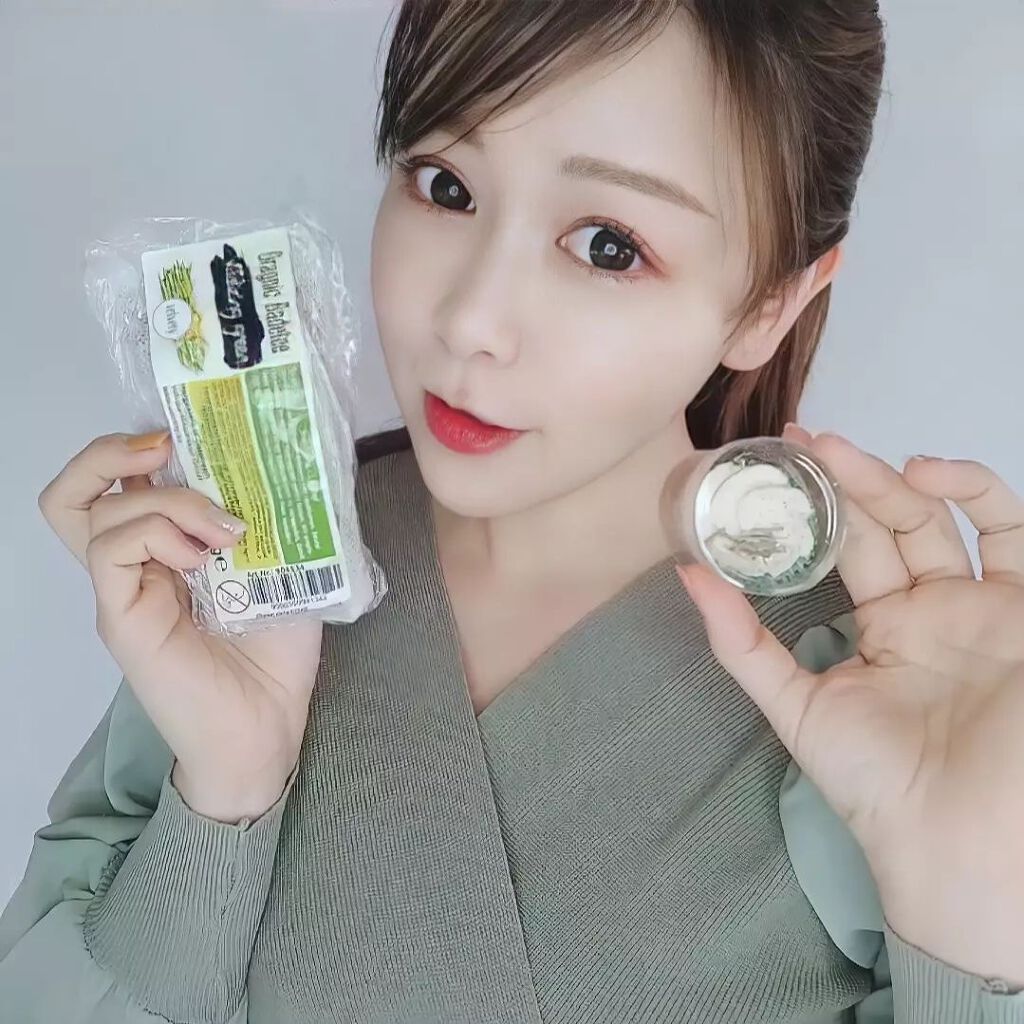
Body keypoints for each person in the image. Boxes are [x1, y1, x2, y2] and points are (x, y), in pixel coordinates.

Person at [2, 1, 1022, 1021]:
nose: (471, 320)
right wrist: (226, 788)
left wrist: (970, 911)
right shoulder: (257, 573)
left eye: (609, 246)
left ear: (770, 305)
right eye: (445, 185)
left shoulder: (882, 699)